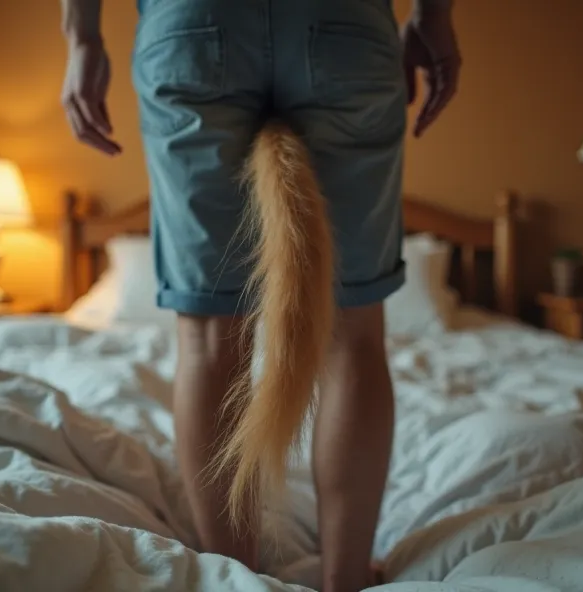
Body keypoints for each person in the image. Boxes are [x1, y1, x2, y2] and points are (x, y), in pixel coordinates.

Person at [60, 1, 461, 591]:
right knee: (353, 336)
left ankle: (234, 578)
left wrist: (82, 36)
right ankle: (346, 577)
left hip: (192, 24)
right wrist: (433, 15)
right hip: (345, 29)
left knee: (206, 337)